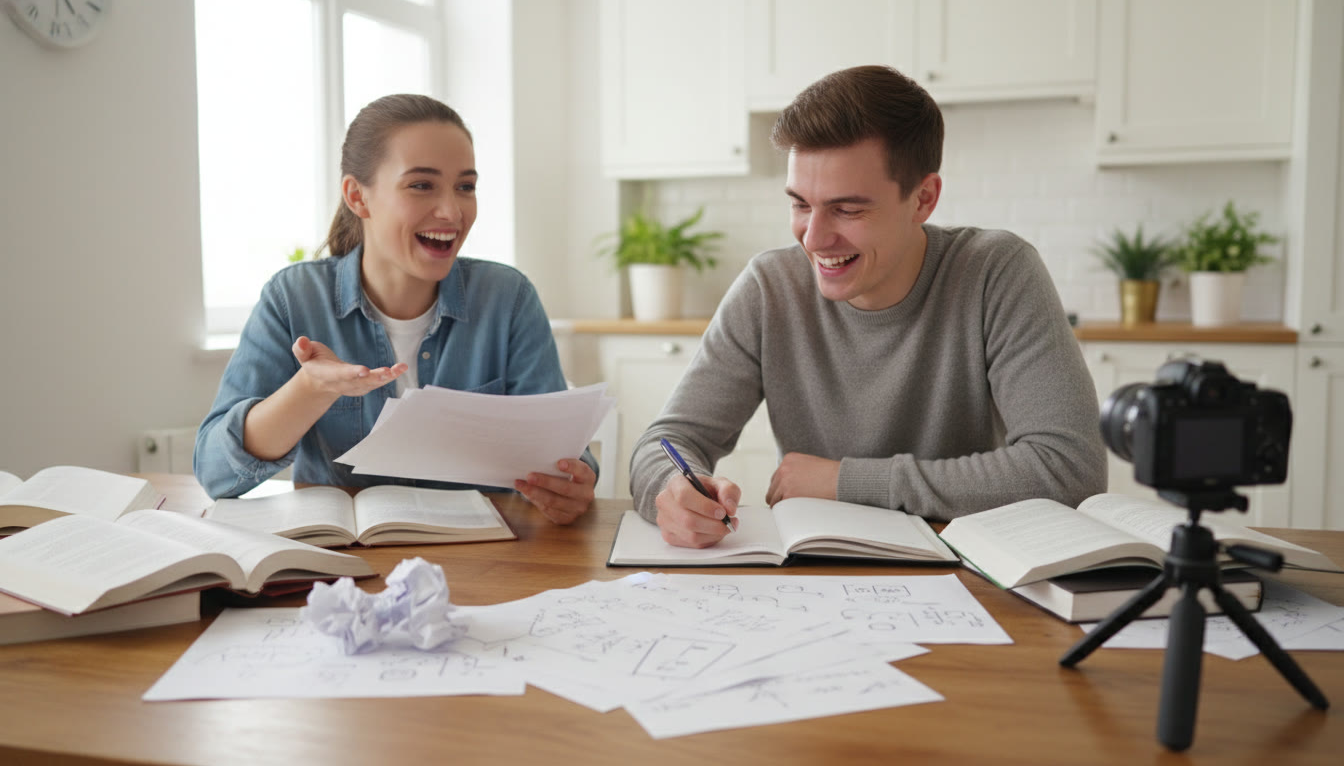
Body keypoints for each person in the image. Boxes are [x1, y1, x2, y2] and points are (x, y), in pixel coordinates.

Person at [630, 66, 1107, 548]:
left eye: (848, 210)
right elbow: (667, 441)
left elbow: (1069, 468)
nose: (813, 238)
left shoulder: (995, 272)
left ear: (923, 199)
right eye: (799, 204)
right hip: (813, 571)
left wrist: (845, 482)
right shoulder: (768, 289)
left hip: (967, 571)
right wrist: (674, 490)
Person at [195, 93, 595, 524]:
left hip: (485, 561)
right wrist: (310, 390)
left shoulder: (507, 298)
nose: (452, 210)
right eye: (421, 185)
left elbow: (564, 452)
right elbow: (216, 474)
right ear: (357, 196)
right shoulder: (293, 298)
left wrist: (573, 482)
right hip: (343, 567)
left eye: (465, 186)